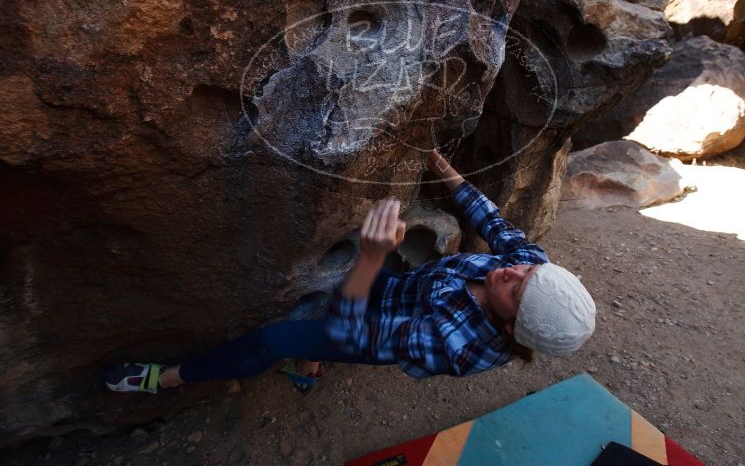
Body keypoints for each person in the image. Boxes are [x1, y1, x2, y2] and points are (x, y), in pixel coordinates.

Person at [105, 150, 596, 394]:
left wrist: (369, 257)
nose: (511, 272)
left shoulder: (457, 345)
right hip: (407, 293)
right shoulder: (534, 272)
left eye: (515, 291)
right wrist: (438, 163)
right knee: (362, 289)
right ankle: (311, 368)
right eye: (522, 271)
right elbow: (493, 220)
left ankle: (164, 378)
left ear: (512, 327)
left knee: (276, 341)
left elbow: (348, 330)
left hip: (398, 325)